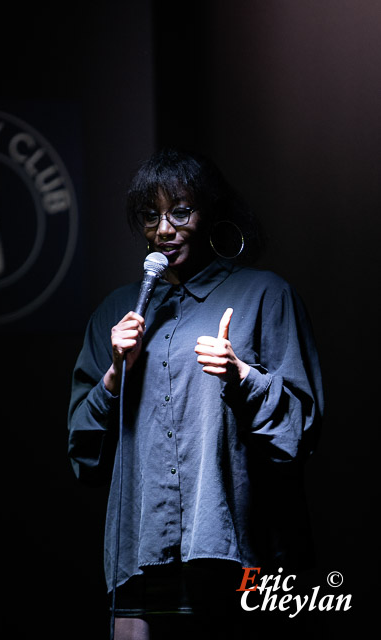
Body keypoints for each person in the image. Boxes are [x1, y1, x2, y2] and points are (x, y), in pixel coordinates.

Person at [67, 148, 324, 640]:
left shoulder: (264, 295)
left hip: (238, 560)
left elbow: (301, 430)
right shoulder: (116, 313)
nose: (164, 229)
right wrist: (113, 376)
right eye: (150, 216)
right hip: (140, 562)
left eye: (180, 211)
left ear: (210, 214)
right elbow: (83, 455)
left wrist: (242, 376)